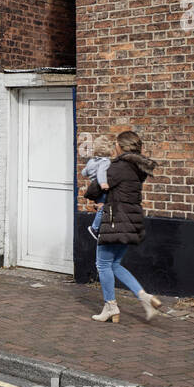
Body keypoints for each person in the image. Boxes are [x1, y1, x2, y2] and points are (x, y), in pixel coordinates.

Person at [92, 130, 163, 323]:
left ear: (121, 146)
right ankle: (145, 298)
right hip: (132, 220)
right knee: (114, 264)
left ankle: (110, 306)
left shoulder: (118, 167)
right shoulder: (137, 168)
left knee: (103, 263)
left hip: (116, 220)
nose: (114, 147)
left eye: (116, 144)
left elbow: (94, 189)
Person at [81, 134, 117, 240]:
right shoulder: (105, 161)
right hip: (101, 189)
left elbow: (84, 172)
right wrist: (103, 184)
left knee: (100, 207)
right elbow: (101, 173)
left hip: (94, 189)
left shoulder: (91, 161)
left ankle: (101, 227)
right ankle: (94, 228)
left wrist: (91, 172)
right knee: (103, 208)